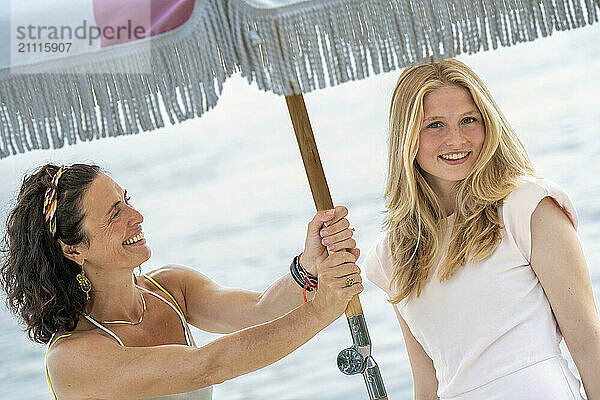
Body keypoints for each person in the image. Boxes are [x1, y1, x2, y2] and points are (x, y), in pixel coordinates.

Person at [0, 163, 363, 400]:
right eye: (115, 213)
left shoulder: (171, 287)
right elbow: (208, 366)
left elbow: (259, 312)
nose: (137, 216)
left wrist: (309, 267)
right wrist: (321, 310)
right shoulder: (71, 358)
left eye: (126, 200)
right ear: (74, 249)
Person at [363, 59, 600, 400]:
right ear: (406, 135)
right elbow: (428, 387)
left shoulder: (528, 207)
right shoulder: (393, 255)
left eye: (468, 120)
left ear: (489, 123)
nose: (455, 139)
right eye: (435, 125)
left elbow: (587, 340)